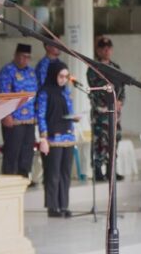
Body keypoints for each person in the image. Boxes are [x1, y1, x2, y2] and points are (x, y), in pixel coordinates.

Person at [37, 60, 79, 218]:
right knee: (52, 173)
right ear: (53, 74)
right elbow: (40, 115)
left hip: (68, 136)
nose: (63, 79)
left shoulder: (65, 92)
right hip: (53, 138)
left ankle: (64, 205)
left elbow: (69, 110)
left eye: (66, 76)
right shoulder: (44, 92)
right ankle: (53, 206)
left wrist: (74, 118)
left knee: (65, 173)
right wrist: (43, 138)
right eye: (61, 76)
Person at [87, 35, 125, 182]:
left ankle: (111, 170)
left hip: (114, 114)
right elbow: (95, 90)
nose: (107, 51)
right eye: (103, 48)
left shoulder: (116, 68)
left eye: (109, 48)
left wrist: (119, 101)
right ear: (98, 50)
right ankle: (98, 171)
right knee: (99, 143)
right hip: (100, 113)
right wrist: (107, 103)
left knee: (114, 141)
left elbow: (122, 89)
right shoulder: (94, 69)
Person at [0, 43, 38, 177]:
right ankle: (9, 180)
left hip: (30, 120)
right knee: (12, 152)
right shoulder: (7, 71)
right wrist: (6, 115)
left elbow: (36, 95)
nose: (23, 60)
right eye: (20, 56)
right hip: (14, 120)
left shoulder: (31, 72)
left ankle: (24, 179)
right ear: (15, 55)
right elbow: (4, 96)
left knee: (27, 152)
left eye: (26, 57)